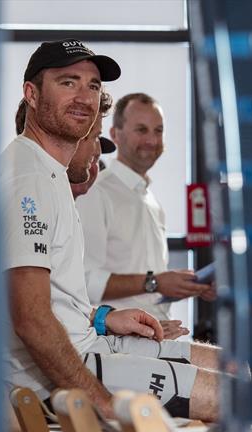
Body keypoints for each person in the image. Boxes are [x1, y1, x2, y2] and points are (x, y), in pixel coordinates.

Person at [0, 39, 221, 421]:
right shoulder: (29, 177)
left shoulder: (47, 173)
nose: (84, 96)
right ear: (31, 94)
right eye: (68, 82)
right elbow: (30, 319)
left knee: (234, 370)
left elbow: (56, 298)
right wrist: (98, 398)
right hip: (55, 374)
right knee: (234, 397)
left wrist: (101, 317)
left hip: (88, 344)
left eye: (93, 85)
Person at [76, 93, 216, 323]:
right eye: (141, 130)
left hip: (156, 334)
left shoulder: (151, 201)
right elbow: (84, 283)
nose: (151, 140)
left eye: (158, 131)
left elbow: (149, 290)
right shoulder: (95, 193)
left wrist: (188, 287)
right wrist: (156, 282)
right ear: (114, 134)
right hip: (116, 342)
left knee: (233, 359)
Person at [14, 93, 115, 199]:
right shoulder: (23, 195)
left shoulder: (56, 199)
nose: (98, 152)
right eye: (89, 136)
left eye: (97, 137)